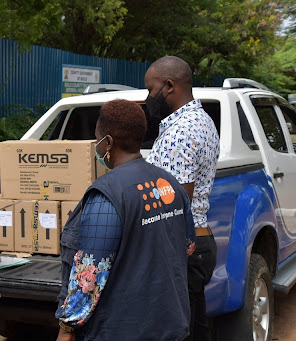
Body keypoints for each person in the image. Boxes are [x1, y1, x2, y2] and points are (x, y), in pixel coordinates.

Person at [55, 99, 196, 341]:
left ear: (108, 142)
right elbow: (188, 246)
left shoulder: (106, 195)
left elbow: (88, 278)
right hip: (171, 326)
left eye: (97, 140)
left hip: (122, 330)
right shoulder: (170, 183)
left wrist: (66, 331)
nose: (96, 148)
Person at [145, 56, 220, 341]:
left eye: (150, 90)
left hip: (183, 248)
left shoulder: (181, 132)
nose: (148, 98)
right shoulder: (202, 121)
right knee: (195, 327)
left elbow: (175, 205)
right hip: (198, 242)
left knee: (178, 331)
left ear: (168, 86)